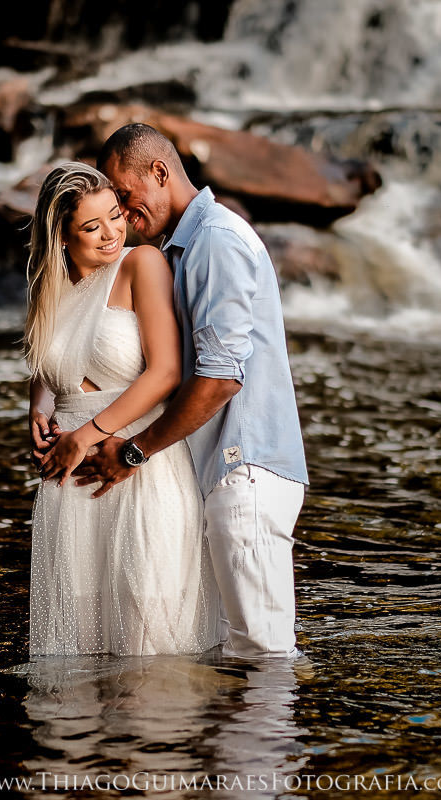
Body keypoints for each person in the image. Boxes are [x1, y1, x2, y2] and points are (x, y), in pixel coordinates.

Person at [75, 123, 309, 659]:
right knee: (235, 651)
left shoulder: (215, 242)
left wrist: (134, 452)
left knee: (264, 655)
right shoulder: (183, 248)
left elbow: (221, 378)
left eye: (125, 196)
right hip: (222, 475)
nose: (123, 215)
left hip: (245, 470)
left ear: (160, 171)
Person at [23, 162, 220, 657]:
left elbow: (165, 373)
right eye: (92, 227)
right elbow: (47, 362)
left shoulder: (141, 264)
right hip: (68, 478)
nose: (112, 233)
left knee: (145, 630)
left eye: (115, 215)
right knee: (79, 638)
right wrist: (39, 411)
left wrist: (86, 434)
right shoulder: (48, 287)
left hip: (138, 465)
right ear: (61, 236)